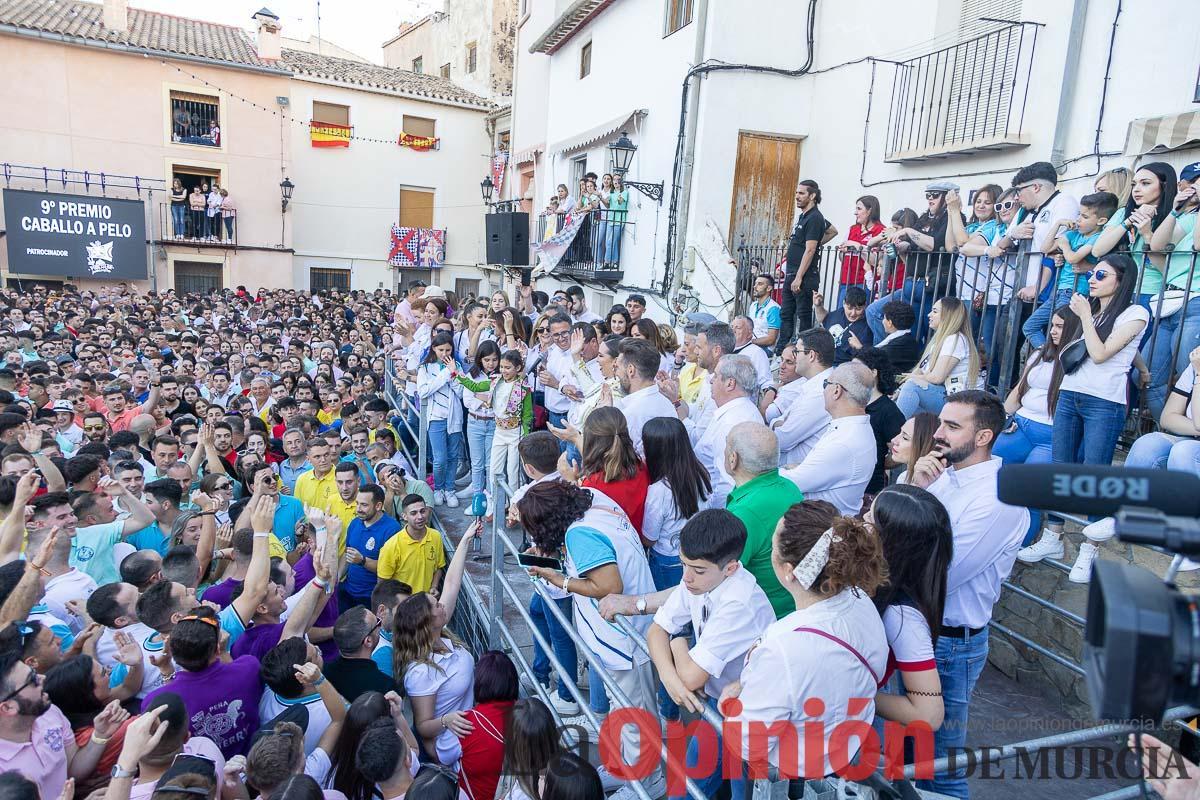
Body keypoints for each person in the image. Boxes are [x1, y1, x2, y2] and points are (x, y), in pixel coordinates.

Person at [906, 391, 1030, 798]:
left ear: (984, 437)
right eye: (941, 422)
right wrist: (914, 489)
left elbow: (943, 576)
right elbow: (903, 541)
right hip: (918, 633)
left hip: (950, 644)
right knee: (908, 757)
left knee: (940, 768)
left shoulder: (1000, 498)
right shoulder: (944, 478)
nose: (937, 434)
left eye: (952, 427)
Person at [722, 501, 888, 792]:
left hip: (794, 782)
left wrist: (730, 705)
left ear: (789, 571)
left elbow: (748, 742)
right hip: (851, 759)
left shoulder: (784, 647)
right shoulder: (861, 601)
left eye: (773, 545)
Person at [517, 481, 662, 797]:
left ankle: (647, 782)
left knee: (635, 712)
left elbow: (609, 584)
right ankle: (625, 768)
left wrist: (561, 580)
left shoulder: (577, 534)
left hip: (626, 639)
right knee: (622, 710)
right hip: (621, 635)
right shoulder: (590, 498)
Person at [647, 509, 775, 800]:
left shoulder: (739, 601)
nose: (686, 577)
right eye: (683, 565)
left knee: (740, 791)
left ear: (730, 568)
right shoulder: (700, 578)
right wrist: (672, 680)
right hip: (721, 702)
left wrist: (679, 642)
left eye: (697, 570)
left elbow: (690, 676)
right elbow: (655, 632)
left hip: (753, 710)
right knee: (690, 787)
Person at [392, 521, 481, 767]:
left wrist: (466, 538)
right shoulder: (421, 671)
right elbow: (423, 726)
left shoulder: (441, 632)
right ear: (426, 623)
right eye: (436, 605)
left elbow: (451, 583)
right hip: (450, 747)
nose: (442, 604)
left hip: (466, 732)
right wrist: (447, 720)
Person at [868, 485, 952, 740]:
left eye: (869, 520)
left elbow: (929, 714)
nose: (859, 522)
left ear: (889, 542)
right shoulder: (877, 580)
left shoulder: (903, 616)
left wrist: (853, 692)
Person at [995, 309, 1075, 547]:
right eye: (1052, 325)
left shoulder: (1080, 360)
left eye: (1060, 326)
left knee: (1029, 494)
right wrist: (1004, 419)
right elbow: (1019, 390)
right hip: (1020, 425)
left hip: (1050, 436)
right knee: (991, 475)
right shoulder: (1041, 353)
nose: (1052, 331)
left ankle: (1017, 550)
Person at [723, 421, 804, 619]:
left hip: (762, 615)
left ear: (733, 459)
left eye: (726, 446)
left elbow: (723, 574)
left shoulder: (744, 512)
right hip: (792, 604)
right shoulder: (789, 487)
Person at [865, 180, 963, 343]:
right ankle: (886, 353)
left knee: (922, 336)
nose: (930, 199)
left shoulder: (952, 218)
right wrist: (898, 244)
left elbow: (934, 244)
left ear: (947, 198)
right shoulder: (924, 218)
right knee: (874, 312)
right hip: (911, 284)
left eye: (934, 195)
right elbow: (911, 243)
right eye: (928, 195)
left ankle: (905, 361)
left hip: (931, 287)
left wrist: (908, 231)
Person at [1023, 191, 1117, 350]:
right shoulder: (1073, 234)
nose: (1078, 219)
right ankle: (1046, 354)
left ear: (1101, 220)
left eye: (1085, 217)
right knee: (1030, 326)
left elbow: (1074, 258)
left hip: (1076, 293)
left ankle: (1058, 360)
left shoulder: (1097, 237)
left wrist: (1064, 247)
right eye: (1079, 214)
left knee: (1066, 332)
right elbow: (1045, 248)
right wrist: (1058, 224)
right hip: (1058, 291)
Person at [781, 361, 877, 516]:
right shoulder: (850, 428)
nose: (824, 389)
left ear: (836, 391)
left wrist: (762, 471)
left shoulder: (845, 440)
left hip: (819, 525)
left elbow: (793, 482)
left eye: (826, 383)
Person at [641, 416, 711, 591]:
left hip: (668, 561)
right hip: (696, 551)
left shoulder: (658, 491)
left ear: (655, 452)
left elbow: (650, 538)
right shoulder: (700, 472)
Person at [692, 355, 763, 510]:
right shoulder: (735, 412)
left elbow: (728, 483)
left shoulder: (732, 422)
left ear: (730, 383)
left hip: (712, 510)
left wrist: (710, 517)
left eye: (716, 376)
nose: (711, 380)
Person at [895, 297, 980, 418]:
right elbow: (921, 371)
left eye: (935, 311)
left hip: (958, 401)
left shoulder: (955, 339)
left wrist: (912, 377)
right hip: (944, 395)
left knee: (912, 387)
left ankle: (893, 431)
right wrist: (899, 390)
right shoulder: (940, 340)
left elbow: (937, 377)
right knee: (900, 398)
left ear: (948, 315)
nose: (929, 315)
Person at [458, 651, 519, 800]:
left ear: (479, 682)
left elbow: (442, 755)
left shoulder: (466, 721)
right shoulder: (527, 715)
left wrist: (444, 721)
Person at [777, 179, 828, 355]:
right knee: (786, 313)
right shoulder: (805, 216)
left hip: (804, 276)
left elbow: (811, 248)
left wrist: (799, 277)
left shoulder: (815, 217)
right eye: (797, 193)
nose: (797, 197)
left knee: (803, 315)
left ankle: (804, 353)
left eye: (801, 193)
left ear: (812, 195)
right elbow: (830, 231)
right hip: (792, 271)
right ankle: (782, 351)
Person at [769, 328, 834, 464]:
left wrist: (780, 423)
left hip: (796, 475)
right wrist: (779, 423)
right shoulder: (813, 385)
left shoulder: (820, 392)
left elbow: (782, 440)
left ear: (811, 355)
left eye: (796, 352)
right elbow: (779, 421)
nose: (795, 357)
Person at [417, 333, 465, 507]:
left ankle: (450, 489)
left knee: (453, 456)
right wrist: (446, 374)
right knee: (440, 458)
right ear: (433, 349)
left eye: (448, 349)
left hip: (454, 417)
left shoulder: (456, 365)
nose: (444, 353)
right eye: (441, 350)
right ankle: (438, 488)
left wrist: (454, 374)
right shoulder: (425, 368)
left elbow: (461, 392)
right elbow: (423, 391)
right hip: (436, 417)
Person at [853, 346, 905, 501]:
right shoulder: (853, 402)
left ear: (874, 373)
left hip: (869, 490)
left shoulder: (889, 411)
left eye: (856, 368)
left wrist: (878, 463)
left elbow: (900, 452)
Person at [613, 338, 677, 454]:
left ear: (631, 370)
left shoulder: (630, 414)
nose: (616, 374)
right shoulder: (667, 404)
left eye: (617, 368)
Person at [376, 493, 444, 596]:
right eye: (413, 513)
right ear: (404, 516)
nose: (420, 516)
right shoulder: (391, 546)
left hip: (427, 602)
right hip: (404, 606)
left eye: (422, 511)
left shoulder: (436, 536)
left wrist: (434, 587)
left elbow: (439, 567)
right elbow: (383, 583)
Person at [322, 607, 393, 702]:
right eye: (378, 623)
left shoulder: (323, 674)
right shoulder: (386, 686)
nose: (380, 626)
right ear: (368, 641)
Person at [837, 195, 885, 306]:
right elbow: (841, 258)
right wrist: (842, 252)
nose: (855, 212)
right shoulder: (852, 229)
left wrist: (857, 246)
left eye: (859, 209)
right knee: (842, 313)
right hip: (846, 280)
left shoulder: (880, 230)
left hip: (863, 282)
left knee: (859, 315)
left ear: (869, 211)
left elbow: (876, 261)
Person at [814, 285, 873, 365]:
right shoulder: (839, 313)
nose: (853, 313)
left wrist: (859, 348)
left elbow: (870, 359)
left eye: (858, 309)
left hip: (843, 367)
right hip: (822, 362)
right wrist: (818, 306)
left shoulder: (867, 326)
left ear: (865, 306)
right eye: (850, 308)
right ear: (844, 303)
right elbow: (823, 320)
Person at [747, 273, 781, 351]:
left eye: (760, 284)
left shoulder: (773, 308)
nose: (755, 287)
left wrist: (749, 343)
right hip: (752, 345)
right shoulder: (753, 305)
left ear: (769, 288)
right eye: (755, 284)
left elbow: (771, 340)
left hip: (765, 349)